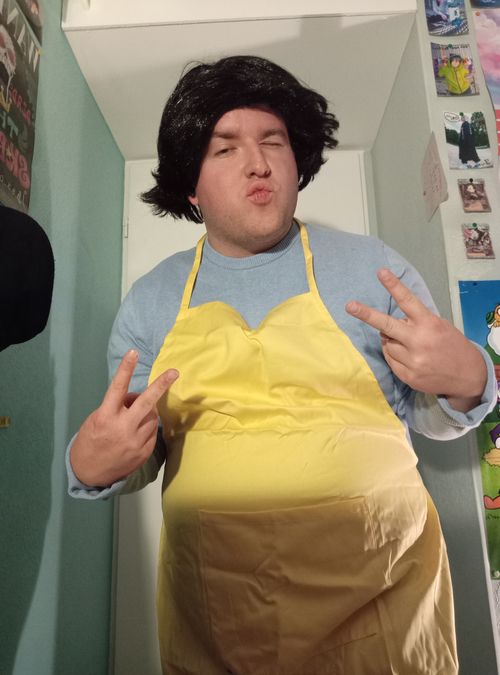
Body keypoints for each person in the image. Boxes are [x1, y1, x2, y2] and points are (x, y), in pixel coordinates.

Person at [67, 55, 496, 674]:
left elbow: (432, 416)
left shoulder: (374, 268)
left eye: (274, 142)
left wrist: (470, 381)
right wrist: (91, 464)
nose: (259, 163)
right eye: (225, 149)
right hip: (220, 622)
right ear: (191, 187)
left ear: (298, 162)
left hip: (385, 615)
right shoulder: (151, 301)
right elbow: (135, 449)